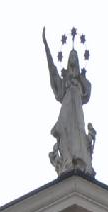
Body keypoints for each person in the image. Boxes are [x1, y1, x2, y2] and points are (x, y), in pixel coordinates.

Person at [42, 28, 94, 176]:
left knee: (78, 131)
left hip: (77, 112)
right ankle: (67, 161)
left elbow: (87, 92)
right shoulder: (64, 81)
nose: (72, 58)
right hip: (66, 111)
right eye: (70, 56)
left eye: (75, 57)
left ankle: (79, 160)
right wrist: (47, 48)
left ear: (77, 61)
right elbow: (52, 70)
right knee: (65, 133)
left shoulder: (82, 82)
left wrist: (79, 82)